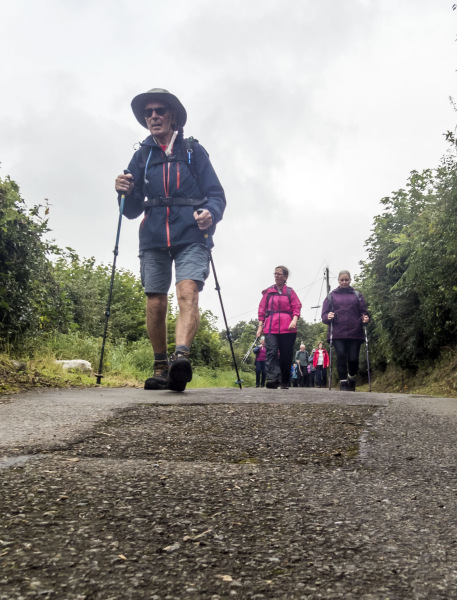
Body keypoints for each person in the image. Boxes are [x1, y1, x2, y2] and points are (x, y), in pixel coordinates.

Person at [115, 88, 226, 392]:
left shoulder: (193, 151)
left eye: (159, 110)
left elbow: (216, 195)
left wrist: (210, 214)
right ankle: (161, 365)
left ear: (172, 116)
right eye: (148, 112)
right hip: (153, 236)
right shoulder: (142, 155)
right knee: (155, 300)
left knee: (187, 291)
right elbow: (133, 208)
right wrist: (123, 190)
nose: (153, 116)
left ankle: (181, 359)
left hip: (191, 233)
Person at [321, 270, 369, 391]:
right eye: (342, 280)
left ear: (350, 280)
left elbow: (364, 311)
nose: (344, 282)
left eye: (346, 280)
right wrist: (328, 317)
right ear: (338, 280)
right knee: (341, 355)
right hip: (337, 332)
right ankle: (343, 382)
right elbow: (324, 315)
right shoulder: (331, 296)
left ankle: (351, 377)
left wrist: (366, 318)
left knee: (353, 359)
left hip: (355, 331)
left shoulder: (357, 295)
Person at [256, 266, 302, 389]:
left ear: (285, 277)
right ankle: (272, 379)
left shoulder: (290, 292)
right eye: (275, 273)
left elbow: (297, 307)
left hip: (288, 328)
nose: (276, 276)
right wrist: (260, 327)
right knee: (271, 352)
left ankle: (284, 380)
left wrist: (294, 320)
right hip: (271, 327)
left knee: (286, 355)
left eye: (279, 274)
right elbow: (262, 310)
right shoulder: (268, 293)